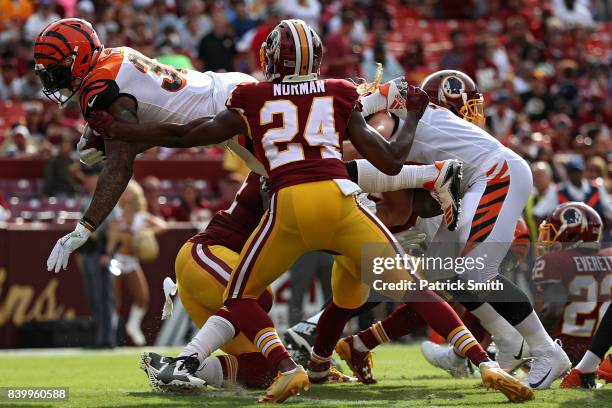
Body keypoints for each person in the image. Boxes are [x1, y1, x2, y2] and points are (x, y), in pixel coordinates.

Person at [88, 19, 532, 404]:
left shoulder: (252, 97)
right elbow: (391, 160)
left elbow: (189, 134)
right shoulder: (338, 92)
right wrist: (412, 115)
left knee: (242, 298)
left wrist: (123, 129)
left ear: (270, 58)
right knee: (416, 288)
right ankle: (484, 363)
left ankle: (287, 368)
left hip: (291, 204)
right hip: (341, 200)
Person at [318, 69, 571, 389]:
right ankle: (508, 341)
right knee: (443, 274)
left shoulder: (383, 114)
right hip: (475, 182)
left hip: (495, 173)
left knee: (476, 272)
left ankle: (546, 350)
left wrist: (313, 165)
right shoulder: (388, 108)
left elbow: (371, 156)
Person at [36, 18, 258, 273]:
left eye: (57, 71)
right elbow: (148, 125)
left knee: (282, 201)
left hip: (231, 112)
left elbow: (120, 167)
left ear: (79, 59)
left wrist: (85, 227)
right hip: (226, 87)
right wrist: (109, 140)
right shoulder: (116, 56)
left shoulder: (100, 89)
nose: (53, 81)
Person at [531, 202, 610, 368]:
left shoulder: (557, 261)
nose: (547, 240)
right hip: (595, 352)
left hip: (561, 349)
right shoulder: (608, 258)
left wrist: (530, 340)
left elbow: (553, 311)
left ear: (571, 234)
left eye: (551, 233)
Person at [107, 179, 166, 345]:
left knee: (142, 297)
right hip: (116, 260)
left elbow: (163, 225)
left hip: (131, 260)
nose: (127, 195)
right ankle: (110, 331)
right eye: (125, 192)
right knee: (114, 299)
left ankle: (133, 325)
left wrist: (146, 232)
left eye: (130, 192)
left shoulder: (141, 216)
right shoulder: (115, 211)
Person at [75, 163, 116, 348]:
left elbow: (114, 227)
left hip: (100, 253)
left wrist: (108, 252)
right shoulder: (87, 199)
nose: (86, 179)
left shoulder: (104, 198)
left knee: (103, 297)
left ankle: (107, 339)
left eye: (89, 176)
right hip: (89, 253)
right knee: (94, 297)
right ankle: (100, 337)